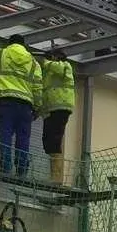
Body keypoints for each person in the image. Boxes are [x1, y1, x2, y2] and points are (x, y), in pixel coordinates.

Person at [0, 32, 42, 182]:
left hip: (6, 102)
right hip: (26, 105)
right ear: (24, 45)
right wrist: (38, 107)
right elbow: (38, 88)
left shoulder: (2, 54)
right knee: (23, 138)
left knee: (5, 135)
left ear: (9, 43)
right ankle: (21, 170)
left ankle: (6, 167)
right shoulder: (34, 63)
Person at [39, 48, 76, 185]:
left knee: (54, 142)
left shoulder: (65, 66)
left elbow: (57, 68)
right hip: (51, 109)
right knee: (48, 143)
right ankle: (53, 176)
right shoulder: (50, 73)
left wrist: (47, 60)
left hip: (61, 108)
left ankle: (56, 178)